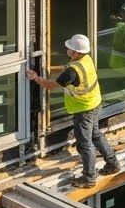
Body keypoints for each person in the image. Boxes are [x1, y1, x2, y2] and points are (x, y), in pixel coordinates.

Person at [26, 34, 119, 188]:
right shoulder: (86, 60)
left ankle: (89, 178)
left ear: (76, 53)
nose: (67, 51)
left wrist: (35, 77)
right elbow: (67, 70)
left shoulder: (72, 72)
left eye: (70, 49)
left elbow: (50, 85)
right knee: (95, 135)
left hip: (84, 110)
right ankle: (113, 163)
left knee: (84, 144)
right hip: (95, 104)